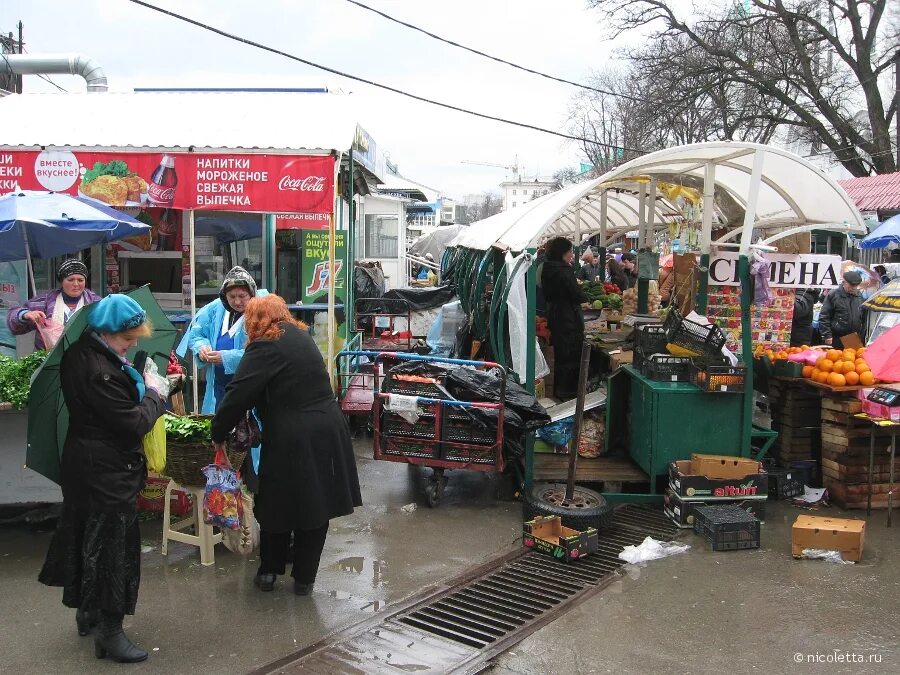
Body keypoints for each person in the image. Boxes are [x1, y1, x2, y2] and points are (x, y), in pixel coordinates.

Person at [38, 294, 168, 663]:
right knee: (113, 549)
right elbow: (133, 423)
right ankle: (110, 634)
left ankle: (88, 612)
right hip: (107, 469)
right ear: (107, 333)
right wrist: (156, 395)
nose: (134, 344)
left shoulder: (84, 354)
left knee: (88, 537)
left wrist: (133, 372)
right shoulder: (101, 370)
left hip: (84, 464)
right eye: (128, 339)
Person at [210, 295, 361, 595]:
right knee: (316, 502)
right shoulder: (300, 337)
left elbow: (239, 392)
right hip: (328, 428)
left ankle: (269, 572)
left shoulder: (265, 344)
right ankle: (304, 579)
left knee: (276, 500)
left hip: (292, 433)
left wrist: (217, 431)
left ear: (255, 321)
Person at [176, 266, 265, 414]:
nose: (237, 302)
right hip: (218, 388)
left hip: (248, 390)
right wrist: (202, 347)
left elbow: (262, 354)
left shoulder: (262, 314)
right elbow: (196, 334)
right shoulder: (215, 309)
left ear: (252, 294)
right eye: (232, 296)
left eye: (242, 296)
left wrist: (226, 358)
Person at [6, 259, 101, 351]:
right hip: (48, 360)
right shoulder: (45, 301)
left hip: (86, 360)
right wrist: (25, 314)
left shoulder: (96, 303)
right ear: (61, 281)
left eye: (80, 280)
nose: (76, 284)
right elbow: (13, 321)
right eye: (70, 279)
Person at [541, 237, 588, 400]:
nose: (571, 256)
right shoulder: (564, 270)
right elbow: (576, 295)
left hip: (554, 315)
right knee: (571, 356)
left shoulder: (546, 268)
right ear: (562, 253)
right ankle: (568, 393)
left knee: (561, 354)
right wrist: (583, 294)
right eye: (569, 252)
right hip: (568, 318)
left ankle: (559, 391)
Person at [819, 271, 865, 345]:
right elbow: (824, 316)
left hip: (853, 337)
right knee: (836, 356)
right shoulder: (833, 294)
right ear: (844, 282)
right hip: (836, 337)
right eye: (851, 286)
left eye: (856, 286)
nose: (853, 289)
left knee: (852, 356)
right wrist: (827, 335)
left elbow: (861, 316)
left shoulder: (859, 295)